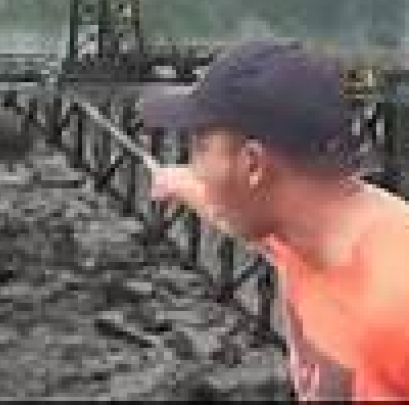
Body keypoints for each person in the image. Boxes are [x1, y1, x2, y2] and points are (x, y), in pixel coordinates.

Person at [138, 38, 409, 401]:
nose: (194, 166)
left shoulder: (395, 304)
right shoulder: (300, 228)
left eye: (199, 147)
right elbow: (217, 203)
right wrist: (173, 181)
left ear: (253, 163)